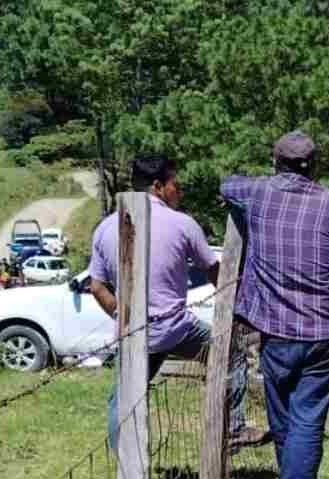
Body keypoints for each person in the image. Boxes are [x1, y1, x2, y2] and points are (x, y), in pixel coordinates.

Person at [221, 131, 329, 479]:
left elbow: (225, 184)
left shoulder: (258, 193)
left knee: (286, 420)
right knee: (306, 420)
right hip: (326, 328)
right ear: (316, 165)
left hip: (278, 329)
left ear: (275, 161)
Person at [90, 154, 250, 450]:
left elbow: (96, 287)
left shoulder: (104, 228)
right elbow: (216, 272)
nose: (181, 191)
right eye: (177, 185)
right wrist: (238, 312)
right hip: (176, 328)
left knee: (124, 399)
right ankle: (234, 427)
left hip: (131, 332)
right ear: (158, 186)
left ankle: (124, 462)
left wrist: (121, 313)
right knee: (233, 353)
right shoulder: (183, 224)